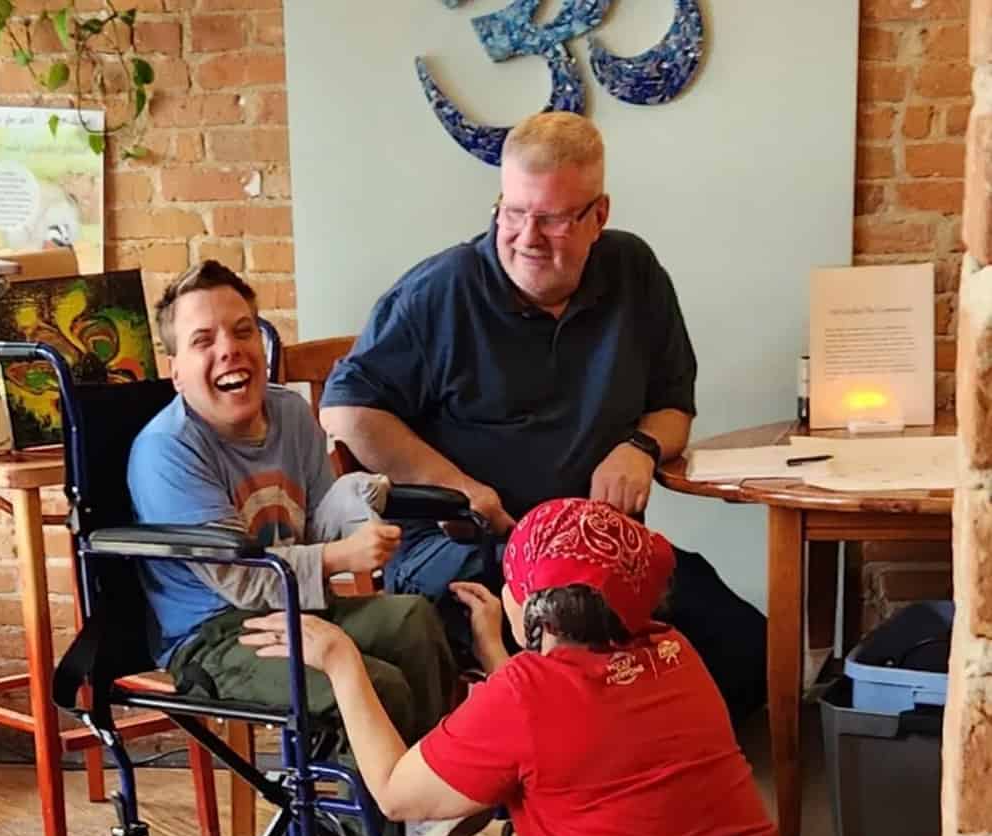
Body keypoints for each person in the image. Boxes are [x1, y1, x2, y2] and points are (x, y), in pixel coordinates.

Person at [319, 110, 767, 725]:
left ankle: (652, 773)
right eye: (513, 211)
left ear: (598, 216)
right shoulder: (439, 291)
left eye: (553, 218)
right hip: (465, 550)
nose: (527, 237)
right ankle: (572, 777)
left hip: (595, 544)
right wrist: (460, 488)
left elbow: (674, 407)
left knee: (745, 650)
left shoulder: (633, 272)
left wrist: (639, 445)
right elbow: (347, 411)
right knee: (598, 654)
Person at [126, 260, 463, 836]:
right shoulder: (166, 451)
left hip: (291, 610)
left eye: (242, 330)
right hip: (214, 636)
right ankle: (368, 830)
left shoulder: (287, 412)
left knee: (413, 619)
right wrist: (339, 560)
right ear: (175, 370)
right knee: (371, 682)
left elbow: (319, 517)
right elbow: (243, 581)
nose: (229, 349)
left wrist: (363, 507)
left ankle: (421, 803)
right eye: (203, 341)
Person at [242, 498, 782, 836]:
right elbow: (557, 720)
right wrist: (491, 643)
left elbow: (394, 793)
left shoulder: (525, 697)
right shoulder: (675, 652)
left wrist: (341, 662)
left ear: (527, 604)